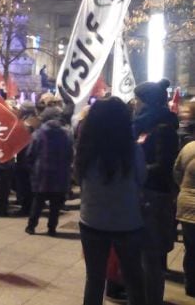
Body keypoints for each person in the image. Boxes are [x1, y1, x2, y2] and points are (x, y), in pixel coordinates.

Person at [75, 97, 146, 305]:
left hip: (92, 221)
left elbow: (79, 179)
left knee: (95, 279)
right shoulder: (132, 150)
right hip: (127, 222)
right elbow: (141, 178)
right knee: (133, 277)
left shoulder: (85, 150)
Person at [133, 79, 180, 305]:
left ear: (147, 102)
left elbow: (164, 165)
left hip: (155, 197)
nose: (135, 104)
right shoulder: (145, 125)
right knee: (142, 255)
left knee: (151, 257)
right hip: (144, 195)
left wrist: (137, 168)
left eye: (138, 100)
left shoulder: (163, 128)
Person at [25, 107, 73, 236]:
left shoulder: (38, 133)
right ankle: (52, 228)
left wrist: (32, 168)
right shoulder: (66, 134)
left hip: (42, 173)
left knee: (38, 202)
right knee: (55, 204)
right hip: (60, 174)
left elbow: (30, 154)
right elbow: (70, 154)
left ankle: (31, 226)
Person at [175, 140, 195, 297]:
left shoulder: (188, 148)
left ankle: (190, 284)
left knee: (190, 248)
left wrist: (183, 188)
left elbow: (176, 172)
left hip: (186, 205)